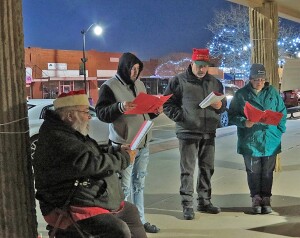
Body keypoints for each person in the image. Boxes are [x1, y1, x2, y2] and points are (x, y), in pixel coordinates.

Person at [33, 90, 147, 238]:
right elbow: (89, 162)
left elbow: (92, 152)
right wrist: (123, 158)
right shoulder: (56, 136)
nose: (89, 116)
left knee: (130, 212)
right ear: (70, 115)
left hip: (84, 196)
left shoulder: (68, 130)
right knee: (119, 229)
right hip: (66, 203)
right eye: (86, 111)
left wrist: (116, 149)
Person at [95, 52, 161, 233]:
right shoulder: (109, 87)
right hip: (124, 144)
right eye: (132, 69)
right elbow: (101, 113)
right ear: (124, 68)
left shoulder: (140, 85)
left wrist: (155, 110)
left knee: (139, 182)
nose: (135, 72)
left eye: (138, 69)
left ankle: (139, 220)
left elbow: (144, 111)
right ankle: (121, 224)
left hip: (143, 141)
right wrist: (119, 107)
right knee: (123, 186)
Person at [163, 48, 227, 220]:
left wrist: (219, 107)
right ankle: (187, 204)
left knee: (207, 169)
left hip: (209, 132)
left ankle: (204, 201)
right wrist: (182, 117)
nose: (201, 69)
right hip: (188, 132)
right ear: (191, 63)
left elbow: (223, 104)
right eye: (198, 65)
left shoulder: (215, 82)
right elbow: (167, 104)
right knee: (188, 170)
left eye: (204, 66)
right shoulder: (178, 81)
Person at [228, 63, 287, 214]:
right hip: (250, 139)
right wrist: (244, 122)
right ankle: (256, 198)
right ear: (250, 79)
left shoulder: (272, 92)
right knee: (253, 171)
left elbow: (282, 112)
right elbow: (232, 115)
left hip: (270, 138)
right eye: (256, 79)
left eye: (262, 79)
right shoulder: (241, 94)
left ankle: (266, 198)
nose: (259, 82)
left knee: (267, 171)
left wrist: (280, 130)